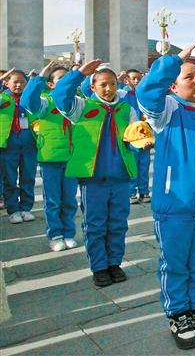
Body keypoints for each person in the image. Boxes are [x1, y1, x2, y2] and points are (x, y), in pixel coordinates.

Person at [137, 42, 195, 350]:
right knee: (175, 262)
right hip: (174, 205)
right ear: (173, 85)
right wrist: (173, 61)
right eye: (188, 76)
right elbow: (146, 92)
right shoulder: (166, 111)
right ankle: (178, 314)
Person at [54, 61, 138, 288]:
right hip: (93, 179)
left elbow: (136, 135)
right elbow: (60, 95)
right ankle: (99, 267)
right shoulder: (81, 107)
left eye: (112, 84)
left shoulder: (127, 109)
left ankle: (114, 263)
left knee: (118, 223)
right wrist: (79, 73)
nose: (108, 89)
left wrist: (142, 140)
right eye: (103, 84)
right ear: (92, 87)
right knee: (95, 224)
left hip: (120, 177)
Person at [20, 62, 78, 250]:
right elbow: (27, 101)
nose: (66, 81)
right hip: (50, 159)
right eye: (61, 78)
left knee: (69, 200)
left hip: (72, 158)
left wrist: (79, 74)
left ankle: (69, 232)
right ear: (51, 84)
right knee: (53, 201)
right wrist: (40, 78)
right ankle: (55, 234)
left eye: (68, 78)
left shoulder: (78, 101)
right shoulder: (46, 102)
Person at [1, 69, 37, 224]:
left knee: (28, 176)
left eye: (22, 82)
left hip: (29, 142)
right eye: (15, 82)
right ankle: (13, 209)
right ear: (6, 83)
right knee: (9, 178)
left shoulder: (30, 98)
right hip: (9, 143)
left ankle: (26, 208)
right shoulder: (3, 98)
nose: (19, 85)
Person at [121, 69, 152, 204]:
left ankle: (144, 191)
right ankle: (131, 192)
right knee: (132, 164)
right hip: (130, 136)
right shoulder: (123, 94)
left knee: (144, 165)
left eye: (139, 78)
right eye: (133, 78)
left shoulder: (145, 95)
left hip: (145, 135)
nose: (137, 81)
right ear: (126, 80)